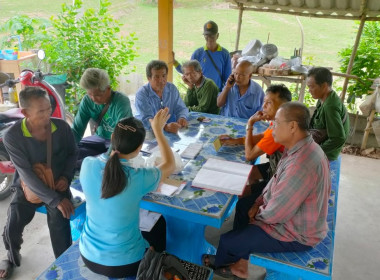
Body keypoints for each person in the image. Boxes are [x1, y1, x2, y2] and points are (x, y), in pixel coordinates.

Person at [203, 102, 331, 279]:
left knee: (227, 241)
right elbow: (275, 181)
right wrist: (257, 203)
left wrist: (257, 215)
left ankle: (229, 265)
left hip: (298, 233)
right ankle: (240, 261)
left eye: (276, 123)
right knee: (243, 206)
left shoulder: (300, 164)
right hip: (289, 215)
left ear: (292, 126)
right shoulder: (298, 147)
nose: (272, 127)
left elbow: (277, 213)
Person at [79, 108, 175, 278]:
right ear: (139, 149)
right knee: (159, 225)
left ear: (112, 138)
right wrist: (158, 132)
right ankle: (151, 264)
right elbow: (169, 164)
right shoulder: (138, 178)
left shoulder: (87, 164)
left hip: (88, 255)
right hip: (126, 263)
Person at [0, 87, 78, 279]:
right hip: (29, 186)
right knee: (13, 223)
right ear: (25, 112)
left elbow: (73, 154)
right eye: (41, 111)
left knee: (60, 222)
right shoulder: (12, 136)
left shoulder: (62, 127)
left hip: (58, 185)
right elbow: (26, 174)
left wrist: (65, 178)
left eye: (48, 108)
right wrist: (54, 200)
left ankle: (63, 263)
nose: (47, 114)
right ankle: (11, 256)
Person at [72, 68, 133, 163]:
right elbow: (76, 130)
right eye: (89, 94)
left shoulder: (121, 102)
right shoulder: (87, 101)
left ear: (108, 89)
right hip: (99, 140)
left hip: (118, 142)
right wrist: (67, 151)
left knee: (93, 162)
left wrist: (106, 158)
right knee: (73, 153)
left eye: (97, 95)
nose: (93, 98)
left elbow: (120, 137)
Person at [174, 20, 231, 91]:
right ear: (204, 36)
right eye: (207, 35)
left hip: (217, 94)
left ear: (217, 35)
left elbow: (227, 78)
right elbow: (188, 72)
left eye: (212, 35)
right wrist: (175, 63)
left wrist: (223, 94)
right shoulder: (198, 53)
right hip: (200, 94)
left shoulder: (225, 54)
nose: (209, 38)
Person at [307, 67, 349, 161]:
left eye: (312, 86)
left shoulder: (330, 106)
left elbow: (338, 138)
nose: (309, 90)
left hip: (327, 154)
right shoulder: (322, 99)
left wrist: (316, 151)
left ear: (324, 86)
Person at [135, 60, 188, 134]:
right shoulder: (142, 94)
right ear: (149, 78)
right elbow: (147, 119)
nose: (161, 80)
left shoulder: (172, 88)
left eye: (164, 76)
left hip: (171, 129)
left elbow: (181, 108)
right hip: (148, 132)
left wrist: (182, 117)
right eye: (156, 77)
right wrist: (165, 127)